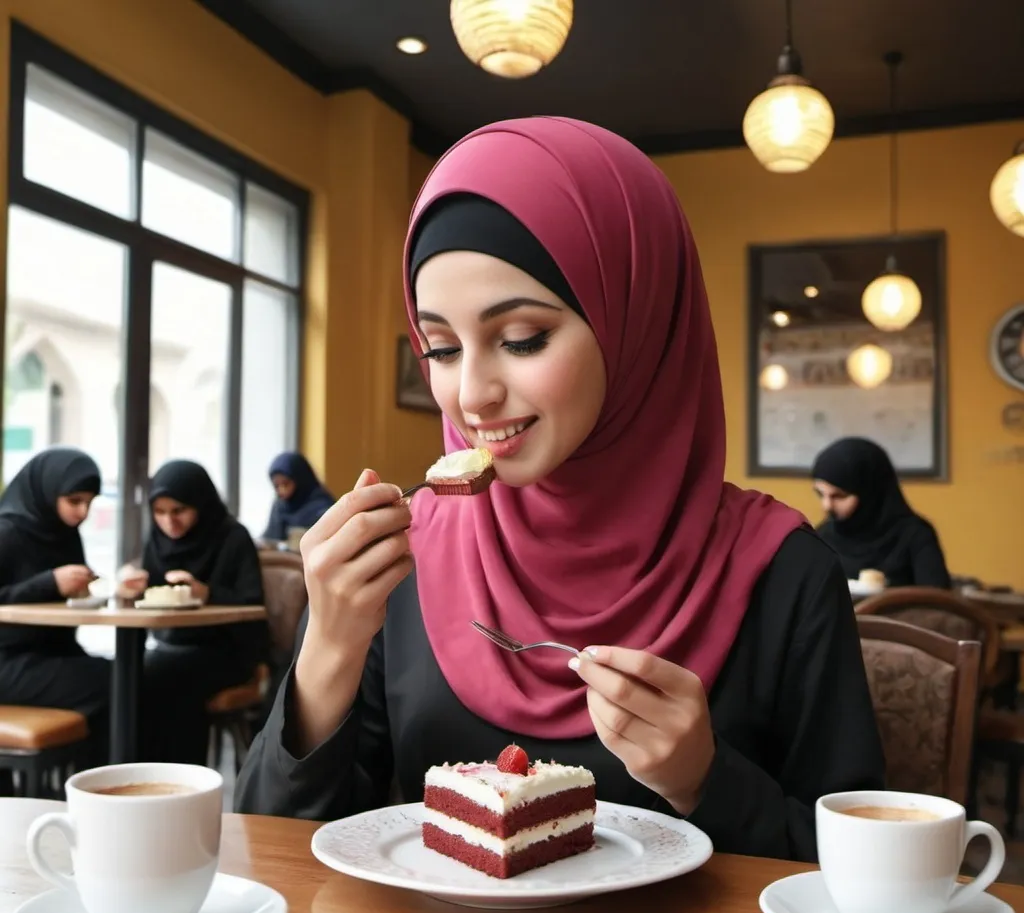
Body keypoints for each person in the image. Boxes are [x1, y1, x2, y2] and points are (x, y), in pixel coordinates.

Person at [236, 116, 885, 861]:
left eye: (522, 338)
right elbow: (278, 853)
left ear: (635, 325)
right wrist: (327, 650)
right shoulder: (408, 555)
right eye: (440, 348)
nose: (471, 394)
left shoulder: (782, 571)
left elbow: (859, 881)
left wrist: (707, 780)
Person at [120, 461, 268, 765]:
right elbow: (152, 592)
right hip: (172, 647)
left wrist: (206, 592)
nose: (169, 522)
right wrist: (134, 585)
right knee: (129, 677)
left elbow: (253, 603)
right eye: (159, 513)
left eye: (178, 511)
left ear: (200, 504)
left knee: (165, 677)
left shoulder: (232, 537)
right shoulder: (158, 542)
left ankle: (180, 778)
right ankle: (136, 775)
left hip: (229, 651)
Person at [0, 448, 110, 761]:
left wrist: (85, 584)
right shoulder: (7, 532)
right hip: (8, 661)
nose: (83, 512)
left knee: (132, 679)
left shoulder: (66, 534)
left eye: (89, 502)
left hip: (51, 652)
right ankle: (91, 789)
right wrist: (49, 583)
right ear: (48, 492)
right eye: (74, 501)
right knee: (110, 685)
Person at [811, 437, 952, 589]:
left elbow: (936, 603)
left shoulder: (915, 535)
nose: (826, 506)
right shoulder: (822, 537)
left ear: (870, 493)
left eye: (839, 496)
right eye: (820, 494)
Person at [262, 452, 334, 545]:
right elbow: (270, 537)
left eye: (286, 483)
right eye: (276, 486)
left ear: (300, 479)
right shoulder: (279, 505)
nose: (282, 490)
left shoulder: (323, 508)